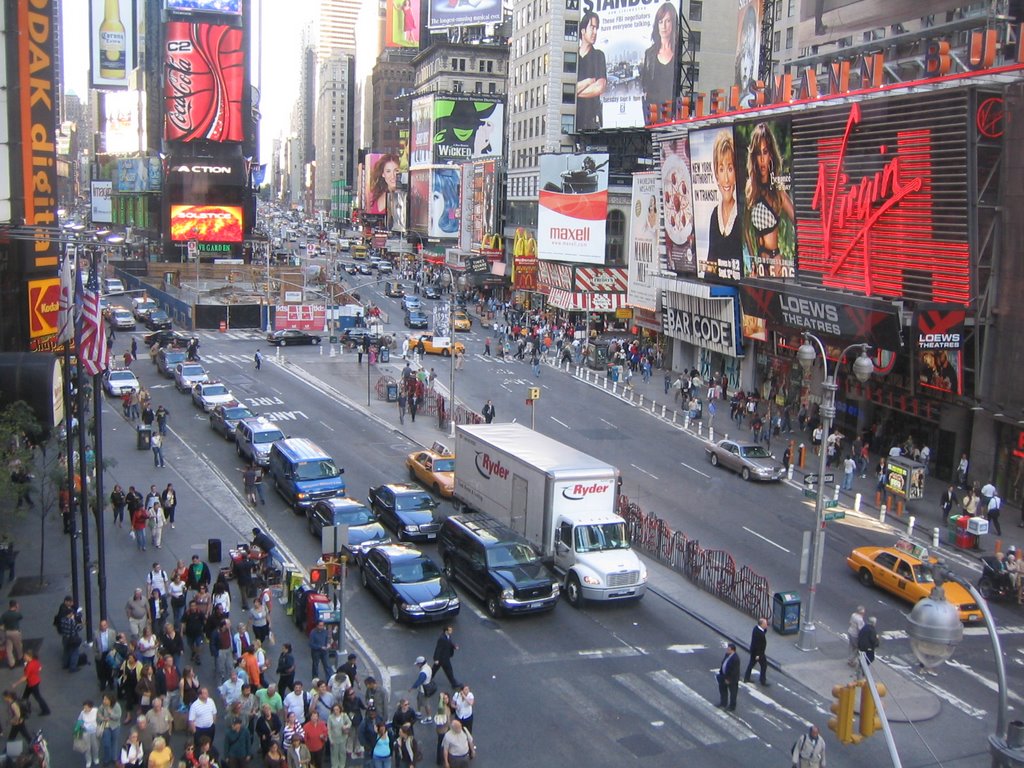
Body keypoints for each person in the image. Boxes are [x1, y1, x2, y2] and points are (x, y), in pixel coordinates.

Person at [744, 122, 794, 278]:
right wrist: (753, 260)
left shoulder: (777, 191)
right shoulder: (751, 189)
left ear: (771, 154)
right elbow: (745, 229)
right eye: (758, 153)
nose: (762, 159)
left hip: (775, 261)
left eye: (765, 152)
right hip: (759, 262)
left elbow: (798, 221)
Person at [640, 2, 678, 124]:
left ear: (673, 23)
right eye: (660, 22)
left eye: (667, 21)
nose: (664, 26)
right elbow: (645, 86)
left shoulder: (679, 53)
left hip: (672, 116)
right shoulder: (649, 54)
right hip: (652, 117)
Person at [576, 11, 607, 130]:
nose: (595, 32)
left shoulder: (598, 55)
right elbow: (562, 91)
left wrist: (574, 91)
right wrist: (588, 81)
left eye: (596, 28)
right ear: (583, 31)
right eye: (592, 27)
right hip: (573, 121)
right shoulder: (571, 56)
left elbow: (600, 87)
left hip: (592, 123)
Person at [16, 648, 51, 715]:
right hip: (35, 681)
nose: (23, 657)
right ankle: (24, 706)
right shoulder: (35, 661)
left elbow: (24, 677)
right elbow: (40, 668)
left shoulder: (29, 666)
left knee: (38, 697)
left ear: (29, 656)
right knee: (26, 695)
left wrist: (15, 684)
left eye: (25, 656)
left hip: (32, 683)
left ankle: (45, 710)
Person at [743, 617, 769, 686]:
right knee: (764, 665)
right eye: (765, 624)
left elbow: (764, 631)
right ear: (761, 624)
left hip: (755, 651)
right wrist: (758, 655)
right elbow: (757, 644)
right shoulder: (759, 633)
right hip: (758, 653)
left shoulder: (756, 628)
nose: (767, 625)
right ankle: (762, 681)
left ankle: (746, 677)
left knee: (751, 664)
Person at [716, 643, 741, 711]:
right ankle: (723, 703)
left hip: (732, 680)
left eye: (728, 649)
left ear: (733, 650)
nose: (727, 650)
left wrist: (728, 679)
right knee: (723, 690)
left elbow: (734, 671)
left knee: (733, 693)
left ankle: (732, 706)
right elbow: (724, 663)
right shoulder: (727, 655)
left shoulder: (736, 659)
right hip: (723, 676)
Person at [1, 599, 24, 670]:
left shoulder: (4, 615)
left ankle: (11, 663)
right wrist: (17, 610)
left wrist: (4, 630)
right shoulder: (17, 614)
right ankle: (20, 658)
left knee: (9, 648)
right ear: (15, 605)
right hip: (15, 632)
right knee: (18, 646)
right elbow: (21, 617)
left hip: (7, 632)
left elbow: (1, 624)